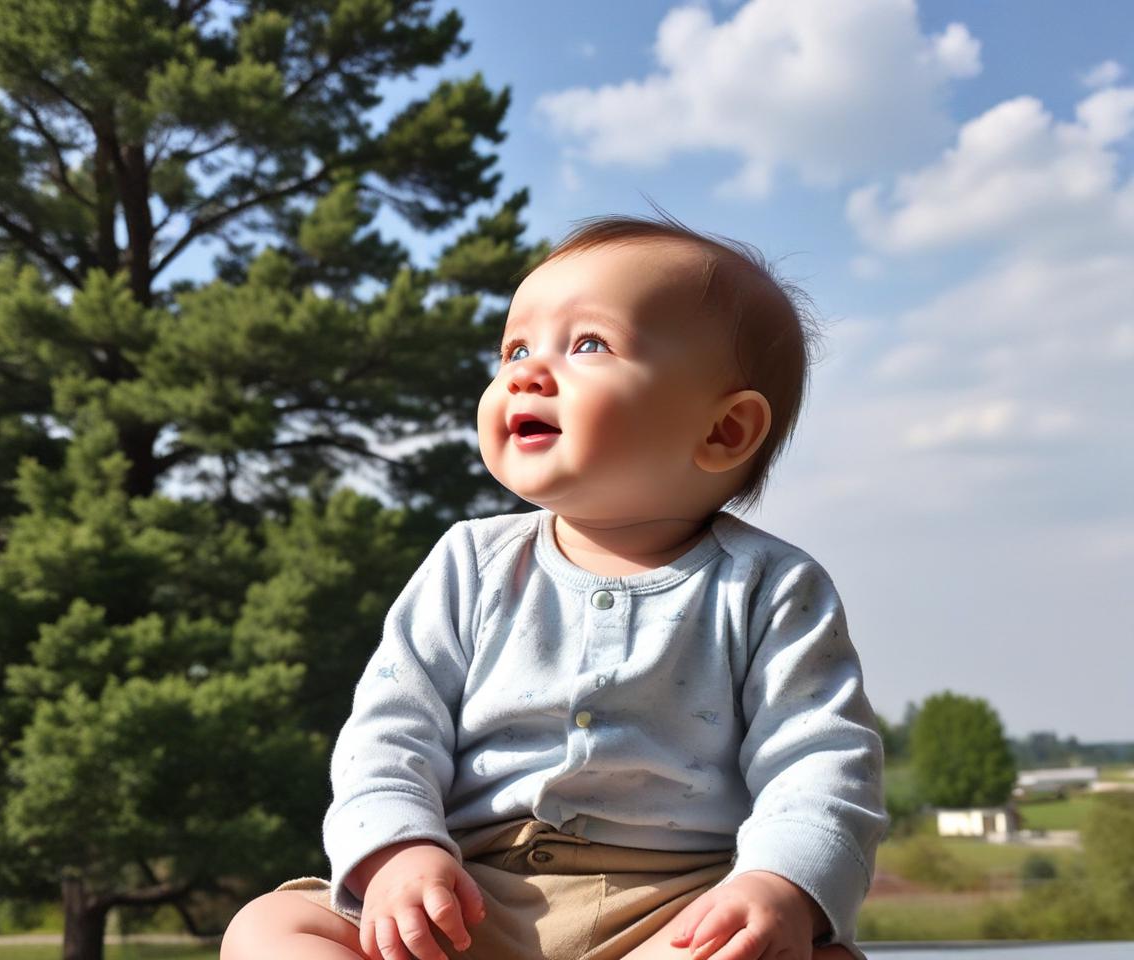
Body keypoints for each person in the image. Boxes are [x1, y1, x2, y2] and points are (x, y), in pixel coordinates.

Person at [220, 212, 888, 960]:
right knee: (269, 930)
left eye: (589, 344)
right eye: (515, 348)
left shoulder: (767, 586)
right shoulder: (469, 564)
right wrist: (398, 853)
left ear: (724, 432)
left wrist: (779, 887)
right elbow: (389, 732)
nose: (526, 373)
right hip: (465, 899)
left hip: (676, 911)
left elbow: (820, 763)